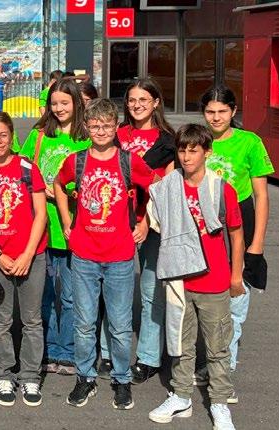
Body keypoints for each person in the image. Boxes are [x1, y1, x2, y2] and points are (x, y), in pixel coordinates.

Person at [54, 98, 157, 410]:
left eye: (107, 126)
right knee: (84, 323)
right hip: (85, 255)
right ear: (87, 127)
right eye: (95, 126)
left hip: (120, 256)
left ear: (116, 128)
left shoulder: (129, 161)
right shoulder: (77, 161)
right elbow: (59, 184)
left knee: (120, 325)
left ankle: (121, 379)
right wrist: (67, 222)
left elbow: (155, 188)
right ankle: (85, 377)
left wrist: (144, 221)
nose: (100, 131)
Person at [146, 124, 243, 430]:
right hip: (179, 278)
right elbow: (153, 210)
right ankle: (181, 396)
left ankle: (219, 402)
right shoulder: (169, 185)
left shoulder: (221, 189)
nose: (187, 157)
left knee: (217, 347)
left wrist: (236, 275)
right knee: (180, 342)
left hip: (214, 280)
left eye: (193, 150)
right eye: (182, 150)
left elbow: (236, 234)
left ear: (207, 152)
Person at [199, 85, 273, 398]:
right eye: (210, 112)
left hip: (240, 227)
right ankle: (211, 363)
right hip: (203, 228)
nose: (216, 117)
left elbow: (261, 196)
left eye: (222, 111)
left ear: (233, 111)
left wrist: (257, 245)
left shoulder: (249, 142)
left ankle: (224, 372)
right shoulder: (197, 140)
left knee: (235, 303)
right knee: (206, 304)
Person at [19, 77, 90, 377]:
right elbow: (21, 171)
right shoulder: (38, 136)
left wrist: (65, 191)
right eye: (54, 103)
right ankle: (47, 348)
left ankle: (68, 350)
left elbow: (94, 178)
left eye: (65, 103)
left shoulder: (86, 137)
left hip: (74, 227)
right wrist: (40, 189)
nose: (59, 108)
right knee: (44, 295)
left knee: (71, 296)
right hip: (42, 227)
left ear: (76, 103)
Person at [0, 112, 48, 408]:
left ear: (12, 136)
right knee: (1, 320)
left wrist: (28, 254)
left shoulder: (27, 168)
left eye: (3, 135)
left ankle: (30, 375)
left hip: (32, 254)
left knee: (32, 320)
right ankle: (4, 374)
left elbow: (41, 214)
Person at [115, 77, 178, 385]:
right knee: (116, 292)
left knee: (151, 291)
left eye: (143, 99)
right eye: (131, 100)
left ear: (156, 103)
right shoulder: (117, 134)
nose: (136, 105)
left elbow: (166, 187)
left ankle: (149, 357)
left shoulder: (168, 140)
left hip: (152, 225)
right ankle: (111, 354)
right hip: (116, 223)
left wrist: (144, 220)